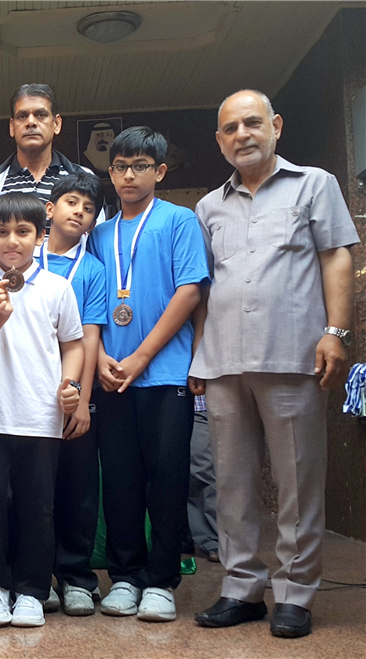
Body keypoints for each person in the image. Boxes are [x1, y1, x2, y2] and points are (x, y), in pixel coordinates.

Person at [190, 90, 357, 639]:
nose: (242, 134)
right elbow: (204, 289)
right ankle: (241, 587)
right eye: (230, 128)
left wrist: (336, 332)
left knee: (297, 483)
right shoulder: (208, 207)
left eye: (252, 123)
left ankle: (295, 593)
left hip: (292, 355)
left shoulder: (314, 184)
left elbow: (337, 256)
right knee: (232, 485)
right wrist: (199, 355)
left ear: (276, 126)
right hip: (223, 363)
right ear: (219, 141)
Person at [87, 126, 210, 623]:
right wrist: (98, 358)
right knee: (119, 481)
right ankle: (125, 576)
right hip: (110, 377)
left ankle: (161, 581)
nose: (129, 175)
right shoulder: (99, 234)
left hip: (164, 374)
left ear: (159, 171)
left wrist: (140, 357)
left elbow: (190, 291)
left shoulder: (180, 220)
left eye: (140, 166)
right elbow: (92, 301)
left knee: (167, 478)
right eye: (120, 166)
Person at [0, 192, 84, 629]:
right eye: (2, 232)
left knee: (38, 508)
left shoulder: (57, 287)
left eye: (23, 232)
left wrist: (71, 385)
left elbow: (73, 345)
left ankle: (33, 590)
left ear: (40, 236)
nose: (12, 241)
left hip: (39, 415)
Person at [39, 173, 108, 616]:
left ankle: (76, 577)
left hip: (73, 397)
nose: (79, 211)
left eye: (88, 207)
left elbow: (90, 336)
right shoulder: (22, 258)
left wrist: (82, 401)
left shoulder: (94, 270)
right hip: (26, 397)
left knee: (77, 489)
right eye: (71, 201)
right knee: (30, 491)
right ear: (50, 209)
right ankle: (34, 574)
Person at [0, 83, 99, 230]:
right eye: (22, 116)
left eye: (41, 115)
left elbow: (96, 237)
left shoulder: (85, 178)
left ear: (57, 124)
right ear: (12, 127)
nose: (31, 122)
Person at [186, 395, 219, 563]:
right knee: (201, 472)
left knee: (205, 471)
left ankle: (216, 539)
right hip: (193, 405)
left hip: (218, 403)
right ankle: (210, 540)